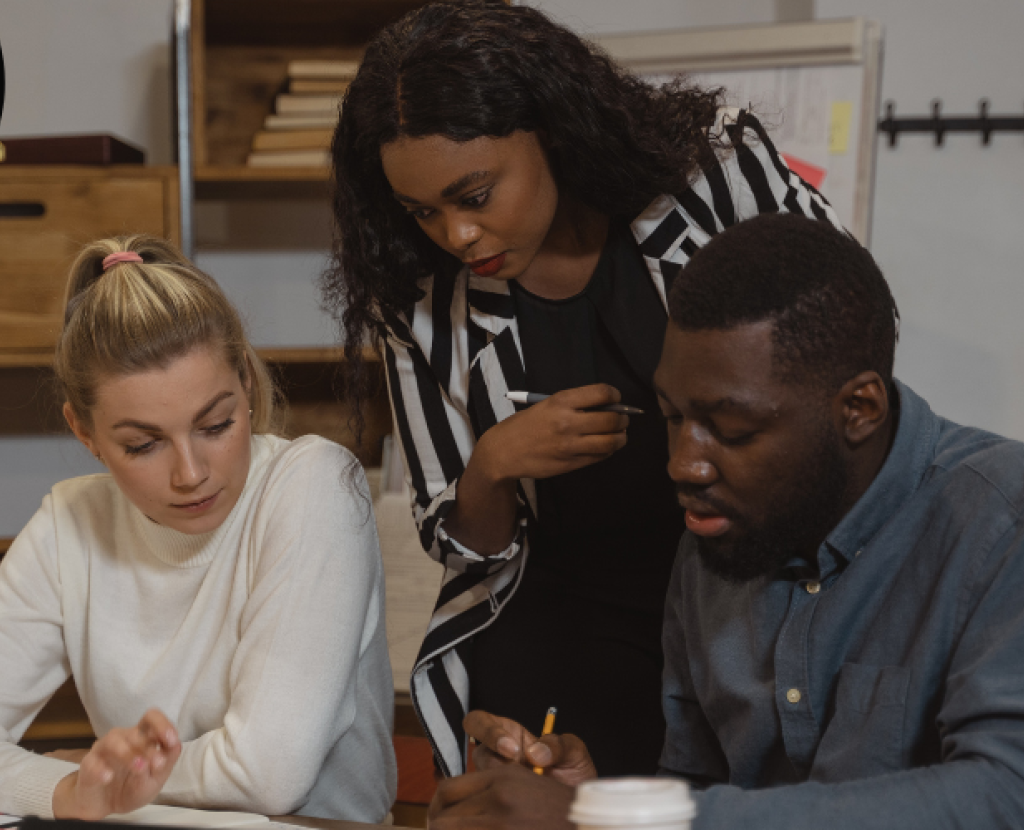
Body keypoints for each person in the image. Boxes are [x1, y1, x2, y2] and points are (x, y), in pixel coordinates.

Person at [429, 214, 1024, 830]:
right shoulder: (714, 542)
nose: (682, 464)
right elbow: (701, 794)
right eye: (672, 417)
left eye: (729, 429)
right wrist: (595, 796)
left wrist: (625, 819)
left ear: (858, 409)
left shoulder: (1017, 519)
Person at [323, 0, 843, 778]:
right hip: (569, 613)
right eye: (420, 211)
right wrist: (493, 462)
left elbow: (845, 332)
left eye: (474, 196)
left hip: (752, 586)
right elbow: (459, 542)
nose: (455, 236)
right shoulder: (422, 302)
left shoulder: (709, 176)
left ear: (552, 129)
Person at [0, 235, 396, 823]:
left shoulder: (314, 485)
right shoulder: (71, 519)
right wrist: (71, 789)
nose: (192, 473)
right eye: (143, 444)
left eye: (216, 424)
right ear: (85, 433)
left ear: (247, 387)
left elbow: (269, 774)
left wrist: (109, 777)